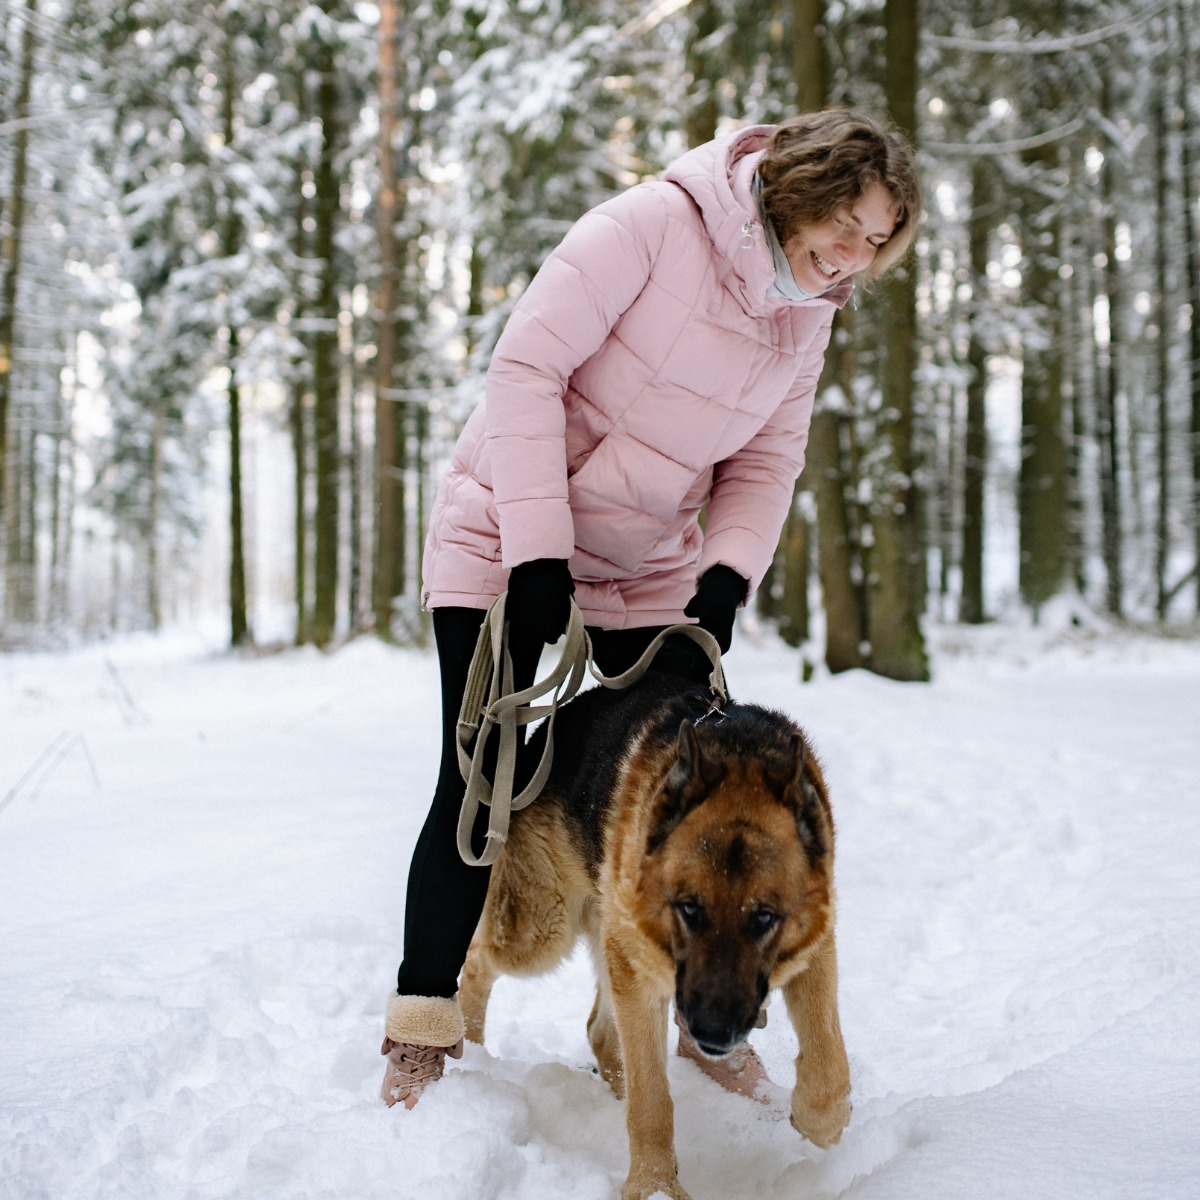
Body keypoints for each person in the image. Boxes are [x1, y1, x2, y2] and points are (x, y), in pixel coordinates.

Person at [380, 109, 920, 1108]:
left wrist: (723, 582)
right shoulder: (648, 226)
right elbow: (524, 371)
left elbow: (766, 459)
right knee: (479, 777)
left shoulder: (807, 312)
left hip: (646, 563)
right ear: (796, 187)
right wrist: (539, 552)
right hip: (506, 531)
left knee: (708, 777)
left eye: (878, 239)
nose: (857, 255)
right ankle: (424, 1020)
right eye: (848, 224)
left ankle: (701, 1028)